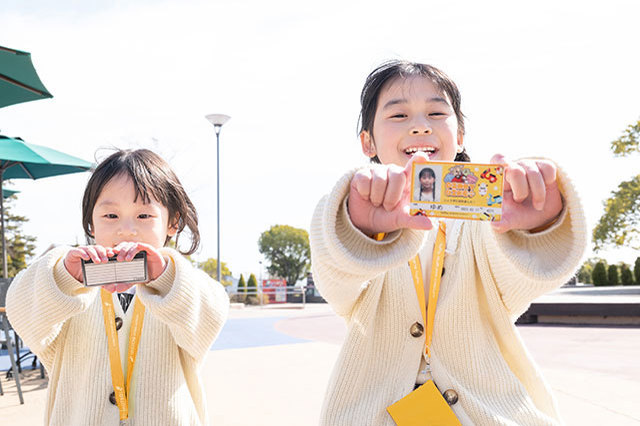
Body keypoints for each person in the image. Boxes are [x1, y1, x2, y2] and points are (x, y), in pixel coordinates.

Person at [310, 61, 586, 425]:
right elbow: (335, 278)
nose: (420, 125)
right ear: (368, 141)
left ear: (460, 137)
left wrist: (539, 224)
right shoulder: (349, 212)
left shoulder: (488, 220)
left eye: (437, 112)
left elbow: (522, 278)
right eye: (398, 115)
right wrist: (359, 232)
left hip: (490, 412)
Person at [6, 149, 229, 426]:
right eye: (111, 216)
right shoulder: (68, 290)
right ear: (91, 223)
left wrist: (165, 276)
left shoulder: (180, 288)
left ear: (173, 222)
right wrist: (63, 276)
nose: (126, 229)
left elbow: (212, 312)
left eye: (144, 216)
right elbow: (20, 309)